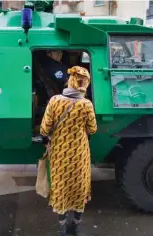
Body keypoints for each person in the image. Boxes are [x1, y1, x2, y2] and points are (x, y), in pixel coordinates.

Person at [39, 66, 97, 236]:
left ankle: (63, 228)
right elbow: (92, 129)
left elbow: (44, 129)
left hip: (59, 154)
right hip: (80, 154)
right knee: (79, 188)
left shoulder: (55, 100)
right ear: (85, 84)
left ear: (69, 81)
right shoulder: (86, 104)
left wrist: (47, 139)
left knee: (61, 187)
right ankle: (76, 226)